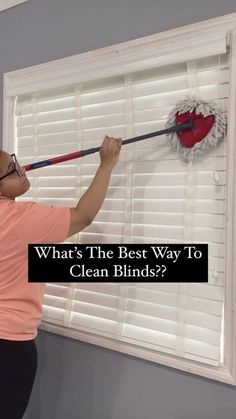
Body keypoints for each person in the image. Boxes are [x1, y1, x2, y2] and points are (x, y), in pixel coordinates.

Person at [0, 135, 122, 419]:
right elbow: (83, 215)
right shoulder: (19, 220)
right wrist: (106, 165)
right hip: (8, 350)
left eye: (16, 162)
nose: (22, 170)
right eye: (12, 169)